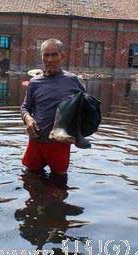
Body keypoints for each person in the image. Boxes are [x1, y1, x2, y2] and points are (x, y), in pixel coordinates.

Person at [21, 39, 86, 186]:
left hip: (60, 143)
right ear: (41, 57)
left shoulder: (72, 81)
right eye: (46, 55)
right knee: (30, 181)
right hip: (36, 140)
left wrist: (77, 133)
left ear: (62, 56)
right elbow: (25, 107)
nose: (49, 59)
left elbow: (86, 109)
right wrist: (28, 119)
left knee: (59, 185)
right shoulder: (34, 82)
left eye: (54, 55)